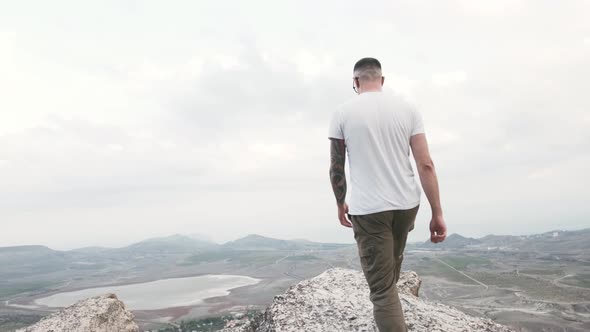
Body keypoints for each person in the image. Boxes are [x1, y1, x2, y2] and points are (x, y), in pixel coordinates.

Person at [328, 57, 447, 332]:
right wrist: (437, 212)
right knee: (390, 266)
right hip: (407, 205)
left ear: (355, 82)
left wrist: (339, 203)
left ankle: (390, 316)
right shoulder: (408, 109)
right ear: (381, 80)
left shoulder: (343, 112)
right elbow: (425, 163)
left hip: (369, 209)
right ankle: (390, 309)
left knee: (381, 291)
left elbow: (336, 165)